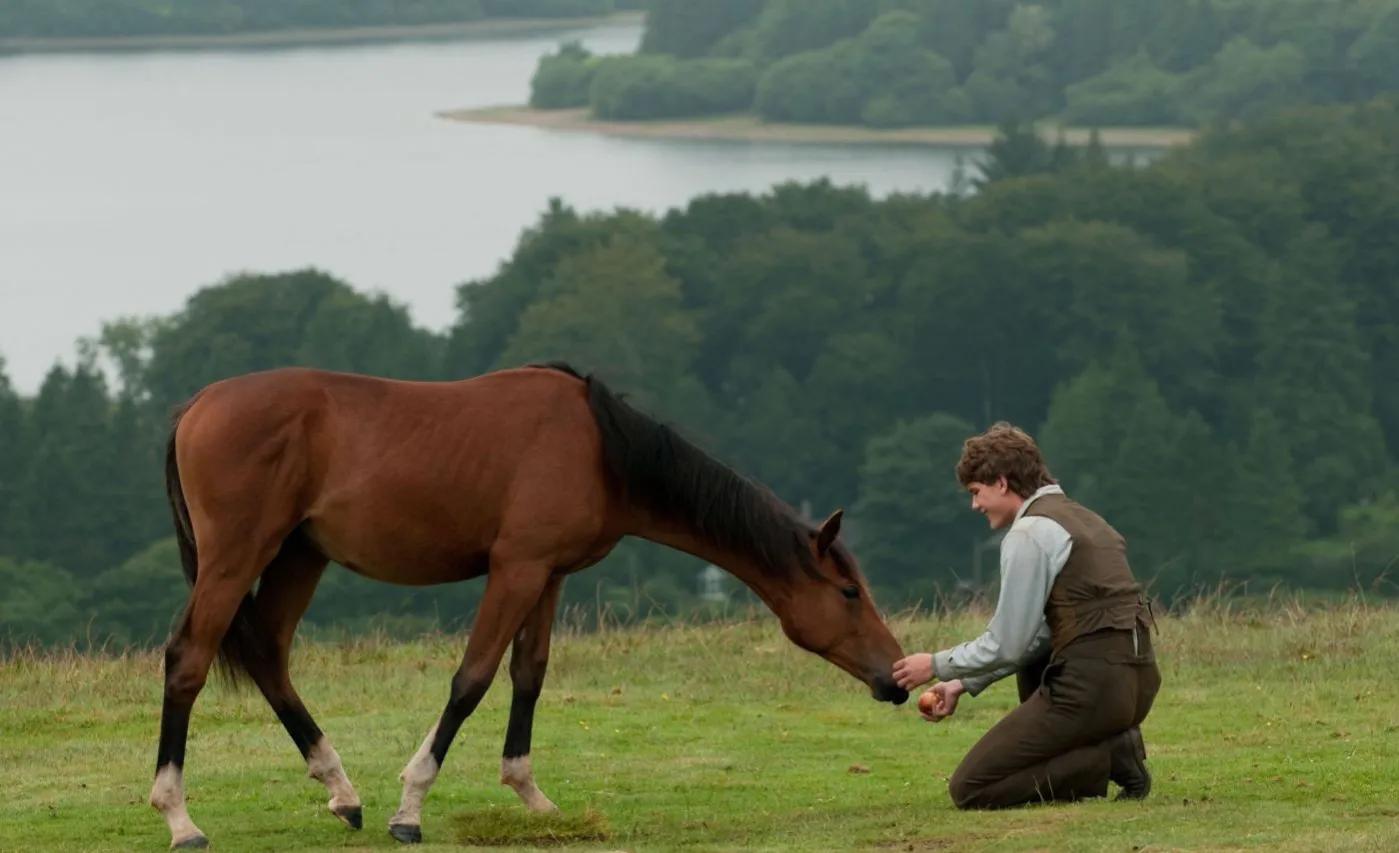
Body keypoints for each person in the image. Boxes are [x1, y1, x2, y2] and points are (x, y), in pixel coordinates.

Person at [893, 422, 1160, 809]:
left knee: (971, 788)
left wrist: (935, 665)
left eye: (976, 492)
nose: (975, 505)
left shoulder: (1030, 533)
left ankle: (1111, 756)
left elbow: (1008, 642)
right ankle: (1113, 746)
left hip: (1091, 691)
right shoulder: (1085, 519)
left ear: (1001, 483)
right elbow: (1041, 637)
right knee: (1031, 679)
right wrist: (962, 684)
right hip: (1136, 685)